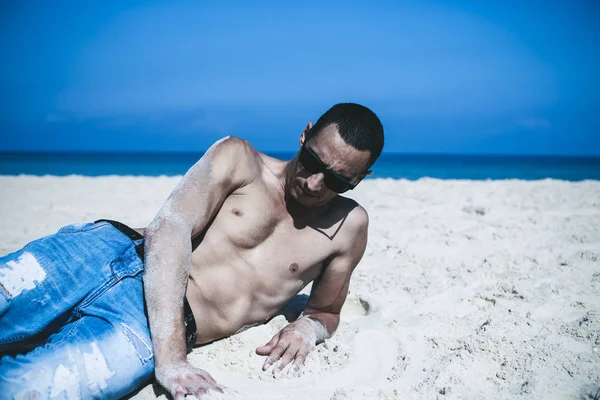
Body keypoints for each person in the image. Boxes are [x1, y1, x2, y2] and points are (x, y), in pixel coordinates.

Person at [0, 103, 384, 399]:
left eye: (336, 179)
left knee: (29, 390)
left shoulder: (349, 228)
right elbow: (171, 227)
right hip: (101, 251)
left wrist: (307, 327)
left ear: (360, 179)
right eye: (313, 161)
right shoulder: (240, 159)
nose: (315, 183)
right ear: (305, 133)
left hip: (145, 324)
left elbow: (325, 311)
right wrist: (171, 359)